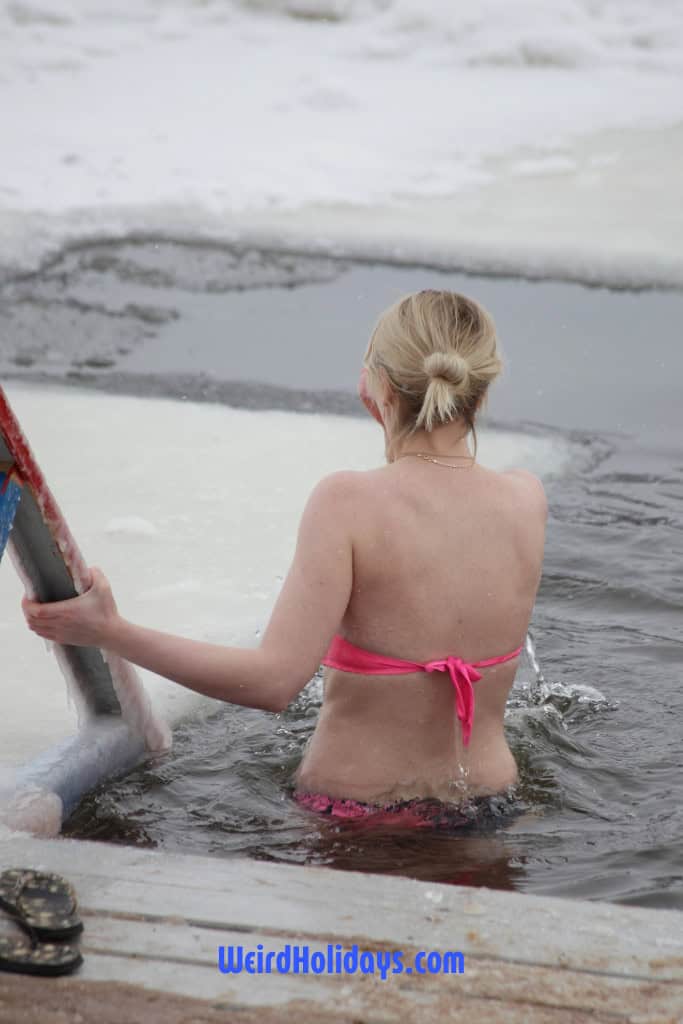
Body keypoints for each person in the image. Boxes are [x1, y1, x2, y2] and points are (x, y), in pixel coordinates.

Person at [22, 290, 547, 829]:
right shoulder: (526, 500)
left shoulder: (348, 502)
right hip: (488, 812)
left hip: (353, 820)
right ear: (480, 392)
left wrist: (112, 631)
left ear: (378, 387)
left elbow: (273, 682)